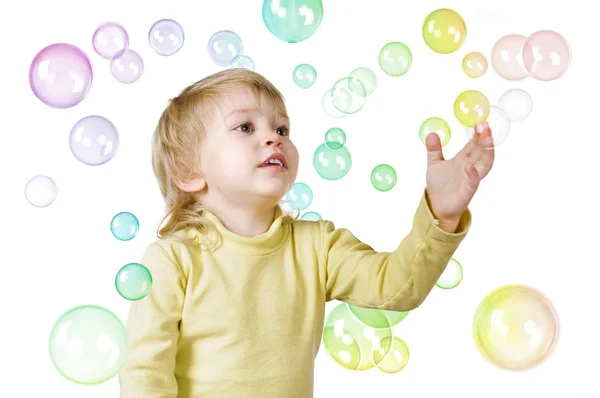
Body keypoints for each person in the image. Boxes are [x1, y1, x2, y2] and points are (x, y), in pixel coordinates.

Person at [118, 68, 495, 397]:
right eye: (245, 127)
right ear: (188, 171)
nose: (273, 138)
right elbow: (146, 372)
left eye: (281, 128)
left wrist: (442, 214)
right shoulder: (173, 258)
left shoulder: (317, 246)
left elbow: (397, 286)